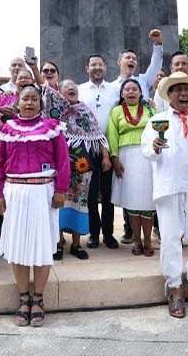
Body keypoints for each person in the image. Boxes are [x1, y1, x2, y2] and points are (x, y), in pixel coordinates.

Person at [0, 84, 70, 327]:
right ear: (17, 103)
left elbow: (63, 161)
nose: (29, 103)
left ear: (40, 103)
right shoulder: (6, 130)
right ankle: (23, 297)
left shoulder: (52, 129)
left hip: (43, 193)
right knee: (19, 247)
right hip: (15, 193)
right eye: (25, 99)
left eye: (34, 99)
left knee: (42, 246)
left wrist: (60, 190)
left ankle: (38, 298)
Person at [141, 72, 188, 319]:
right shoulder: (158, 120)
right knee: (171, 239)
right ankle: (174, 291)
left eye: (186, 89)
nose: (183, 93)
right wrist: (154, 147)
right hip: (168, 186)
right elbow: (147, 152)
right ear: (169, 95)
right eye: (177, 90)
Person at [45, 79, 106, 261]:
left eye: (74, 85)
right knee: (58, 202)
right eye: (67, 86)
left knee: (80, 202)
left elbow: (98, 134)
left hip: (83, 165)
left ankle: (76, 244)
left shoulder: (85, 110)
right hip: (59, 165)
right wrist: (34, 68)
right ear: (59, 92)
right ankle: (58, 242)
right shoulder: (55, 111)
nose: (72, 88)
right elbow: (46, 89)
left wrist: (105, 157)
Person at [108, 79, 156, 256]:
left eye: (134, 89)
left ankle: (148, 241)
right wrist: (114, 157)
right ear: (122, 94)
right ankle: (137, 241)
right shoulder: (117, 111)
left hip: (148, 157)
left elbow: (161, 131)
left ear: (141, 92)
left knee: (148, 202)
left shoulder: (152, 110)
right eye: (127, 89)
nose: (130, 92)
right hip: (126, 157)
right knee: (133, 202)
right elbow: (112, 135)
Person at [77, 54, 119, 249]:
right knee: (91, 194)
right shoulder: (80, 90)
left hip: (109, 145)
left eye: (100, 64)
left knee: (108, 193)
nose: (97, 67)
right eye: (93, 64)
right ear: (87, 68)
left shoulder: (115, 90)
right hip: (87, 148)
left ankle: (109, 234)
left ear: (105, 67)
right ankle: (93, 233)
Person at [111, 29, 165, 100]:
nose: (131, 60)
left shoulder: (143, 81)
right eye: (128, 57)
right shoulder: (111, 87)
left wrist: (158, 43)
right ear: (119, 62)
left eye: (134, 59)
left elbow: (155, 66)